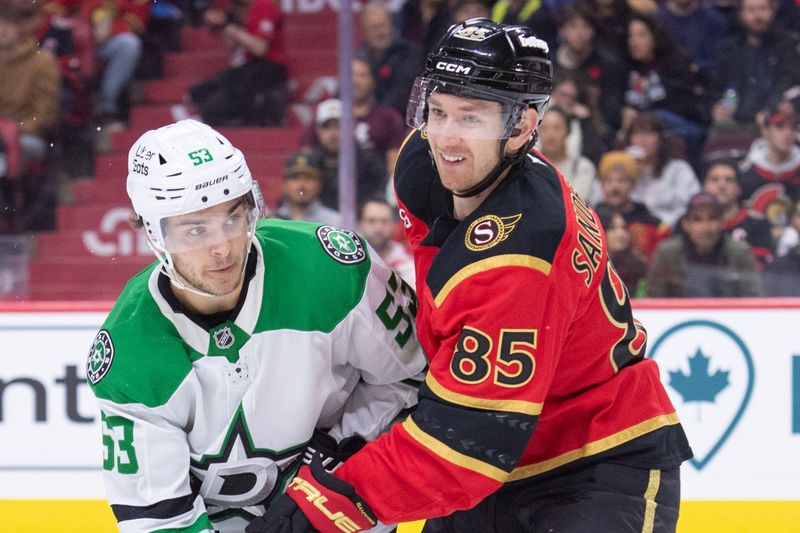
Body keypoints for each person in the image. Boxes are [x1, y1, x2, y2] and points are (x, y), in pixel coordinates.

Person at [249, 19, 691, 533]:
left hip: (595, 460)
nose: (446, 139)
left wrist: (325, 508)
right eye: (437, 112)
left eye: (471, 117)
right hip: (492, 458)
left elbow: (464, 443)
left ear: (522, 127)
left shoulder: (521, 251)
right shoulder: (425, 166)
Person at [87, 119, 426, 532]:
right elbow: (161, 521)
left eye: (233, 218)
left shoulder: (331, 271)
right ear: (152, 234)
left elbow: (414, 380)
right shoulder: (130, 348)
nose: (222, 248)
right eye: (196, 229)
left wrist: (333, 462)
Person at [187, 0, 288, 126]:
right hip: (249, 65)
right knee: (201, 90)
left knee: (229, 92)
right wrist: (221, 25)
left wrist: (227, 26)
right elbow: (231, 46)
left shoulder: (263, 5)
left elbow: (260, 49)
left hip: (270, 66)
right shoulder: (238, 10)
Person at [646, 192, 761, 297]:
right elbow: (654, 299)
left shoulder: (740, 253)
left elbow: (752, 298)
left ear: (722, 222)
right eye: (697, 219)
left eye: (712, 218)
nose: (705, 227)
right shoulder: (667, 253)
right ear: (686, 224)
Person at [307, 98, 389, 210]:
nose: (333, 133)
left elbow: (379, 198)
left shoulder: (370, 163)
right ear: (318, 130)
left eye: (339, 126)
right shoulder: (310, 164)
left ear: (352, 128)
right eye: (326, 127)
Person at [625, 112, 700, 226]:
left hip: (672, 227)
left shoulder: (678, 168)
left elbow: (693, 202)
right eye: (637, 134)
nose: (642, 140)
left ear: (660, 139)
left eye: (648, 133)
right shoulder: (623, 171)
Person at [595, 150, 670, 258]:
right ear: (601, 185)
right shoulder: (590, 223)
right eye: (609, 181)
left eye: (622, 181)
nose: (615, 187)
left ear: (633, 185)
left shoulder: (655, 226)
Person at [702, 158, 774, 266]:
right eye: (714, 179)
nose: (722, 186)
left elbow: (762, 269)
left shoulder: (758, 224)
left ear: (739, 188)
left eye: (729, 180)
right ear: (704, 187)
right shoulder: (691, 222)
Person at [358, 0, 424, 115]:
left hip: (399, 120)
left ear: (391, 24)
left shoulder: (408, 53)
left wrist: (372, 116)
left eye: (382, 26)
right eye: (373, 28)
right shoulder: (360, 56)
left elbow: (401, 95)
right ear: (364, 31)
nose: (379, 32)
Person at [535, 105, 598, 202]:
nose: (550, 134)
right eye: (544, 128)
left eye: (557, 128)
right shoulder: (528, 165)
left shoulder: (582, 167)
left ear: (568, 131)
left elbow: (577, 203)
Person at [357, 196, 415, 288]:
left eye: (384, 221)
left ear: (393, 224)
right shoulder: (351, 261)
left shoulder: (406, 264)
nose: (378, 228)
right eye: (371, 221)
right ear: (359, 224)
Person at [275, 149, 341, 226]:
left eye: (309, 178)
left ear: (320, 184)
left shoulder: (336, 223)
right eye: (295, 178)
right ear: (284, 184)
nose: (301, 185)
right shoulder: (274, 222)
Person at [595, 203, 647, 295]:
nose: (621, 234)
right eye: (612, 228)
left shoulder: (637, 264)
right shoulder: (588, 266)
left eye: (624, 228)